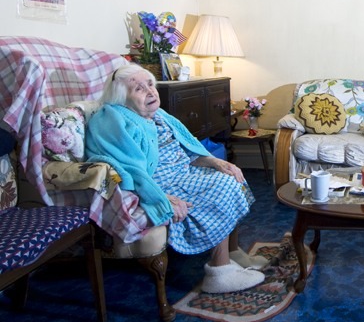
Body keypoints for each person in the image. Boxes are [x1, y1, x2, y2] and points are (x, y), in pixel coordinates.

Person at [85, 63, 266, 294]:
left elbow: (188, 151)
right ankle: (220, 273)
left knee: (229, 174)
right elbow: (129, 170)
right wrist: (160, 197)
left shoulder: (158, 115)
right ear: (121, 97)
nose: (150, 91)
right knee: (222, 187)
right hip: (161, 183)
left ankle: (232, 252)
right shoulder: (112, 119)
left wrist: (217, 162)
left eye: (150, 84)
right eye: (139, 89)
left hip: (183, 173)